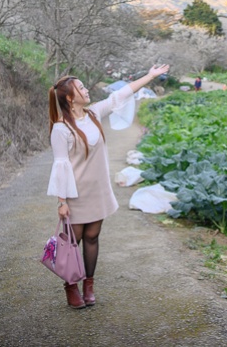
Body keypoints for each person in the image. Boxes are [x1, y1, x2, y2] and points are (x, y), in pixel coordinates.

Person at [47, 63, 170, 309]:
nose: (86, 89)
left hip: (99, 190)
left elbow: (121, 94)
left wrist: (150, 75)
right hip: (76, 194)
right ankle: (70, 286)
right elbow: (61, 166)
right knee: (74, 243)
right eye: (81, 88)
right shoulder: (61, 129)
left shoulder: (93, 113)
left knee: (93, 237)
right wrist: (62, 202)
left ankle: (88, 285)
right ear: (71, 98)